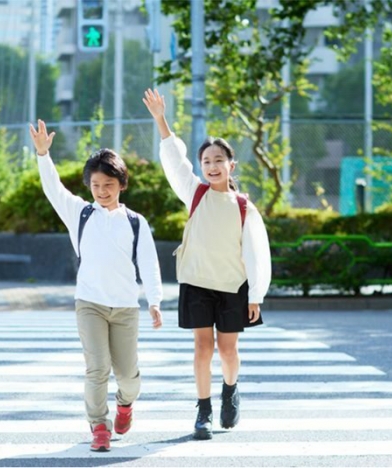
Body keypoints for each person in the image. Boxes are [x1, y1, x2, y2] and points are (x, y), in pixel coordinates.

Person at [142, 89, 271, 440]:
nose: (211, 167)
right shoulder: (194, 192)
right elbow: (174, 161)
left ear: (231, 165)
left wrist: (255, 295)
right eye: (206, 161)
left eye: (218, 160)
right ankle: (204, 410)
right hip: (197, 282)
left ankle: (230, 391)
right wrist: (161, 120)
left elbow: (258, 252)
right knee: (203, 346)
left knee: (228, 350)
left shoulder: (244, 206)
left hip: (233, 287)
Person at [29, 120, 164, 452]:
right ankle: (99, 427)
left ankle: (125, 404)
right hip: (89, 303)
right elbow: (53, 189)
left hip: (126, 308)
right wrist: (43, 155)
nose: (102, 191)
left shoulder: (135, 222)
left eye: (109, 184)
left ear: (121, 184)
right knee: (97, 368)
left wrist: (155, 300)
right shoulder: (81, 213)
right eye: (95, 184)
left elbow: (148, 262)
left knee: (129, 377)